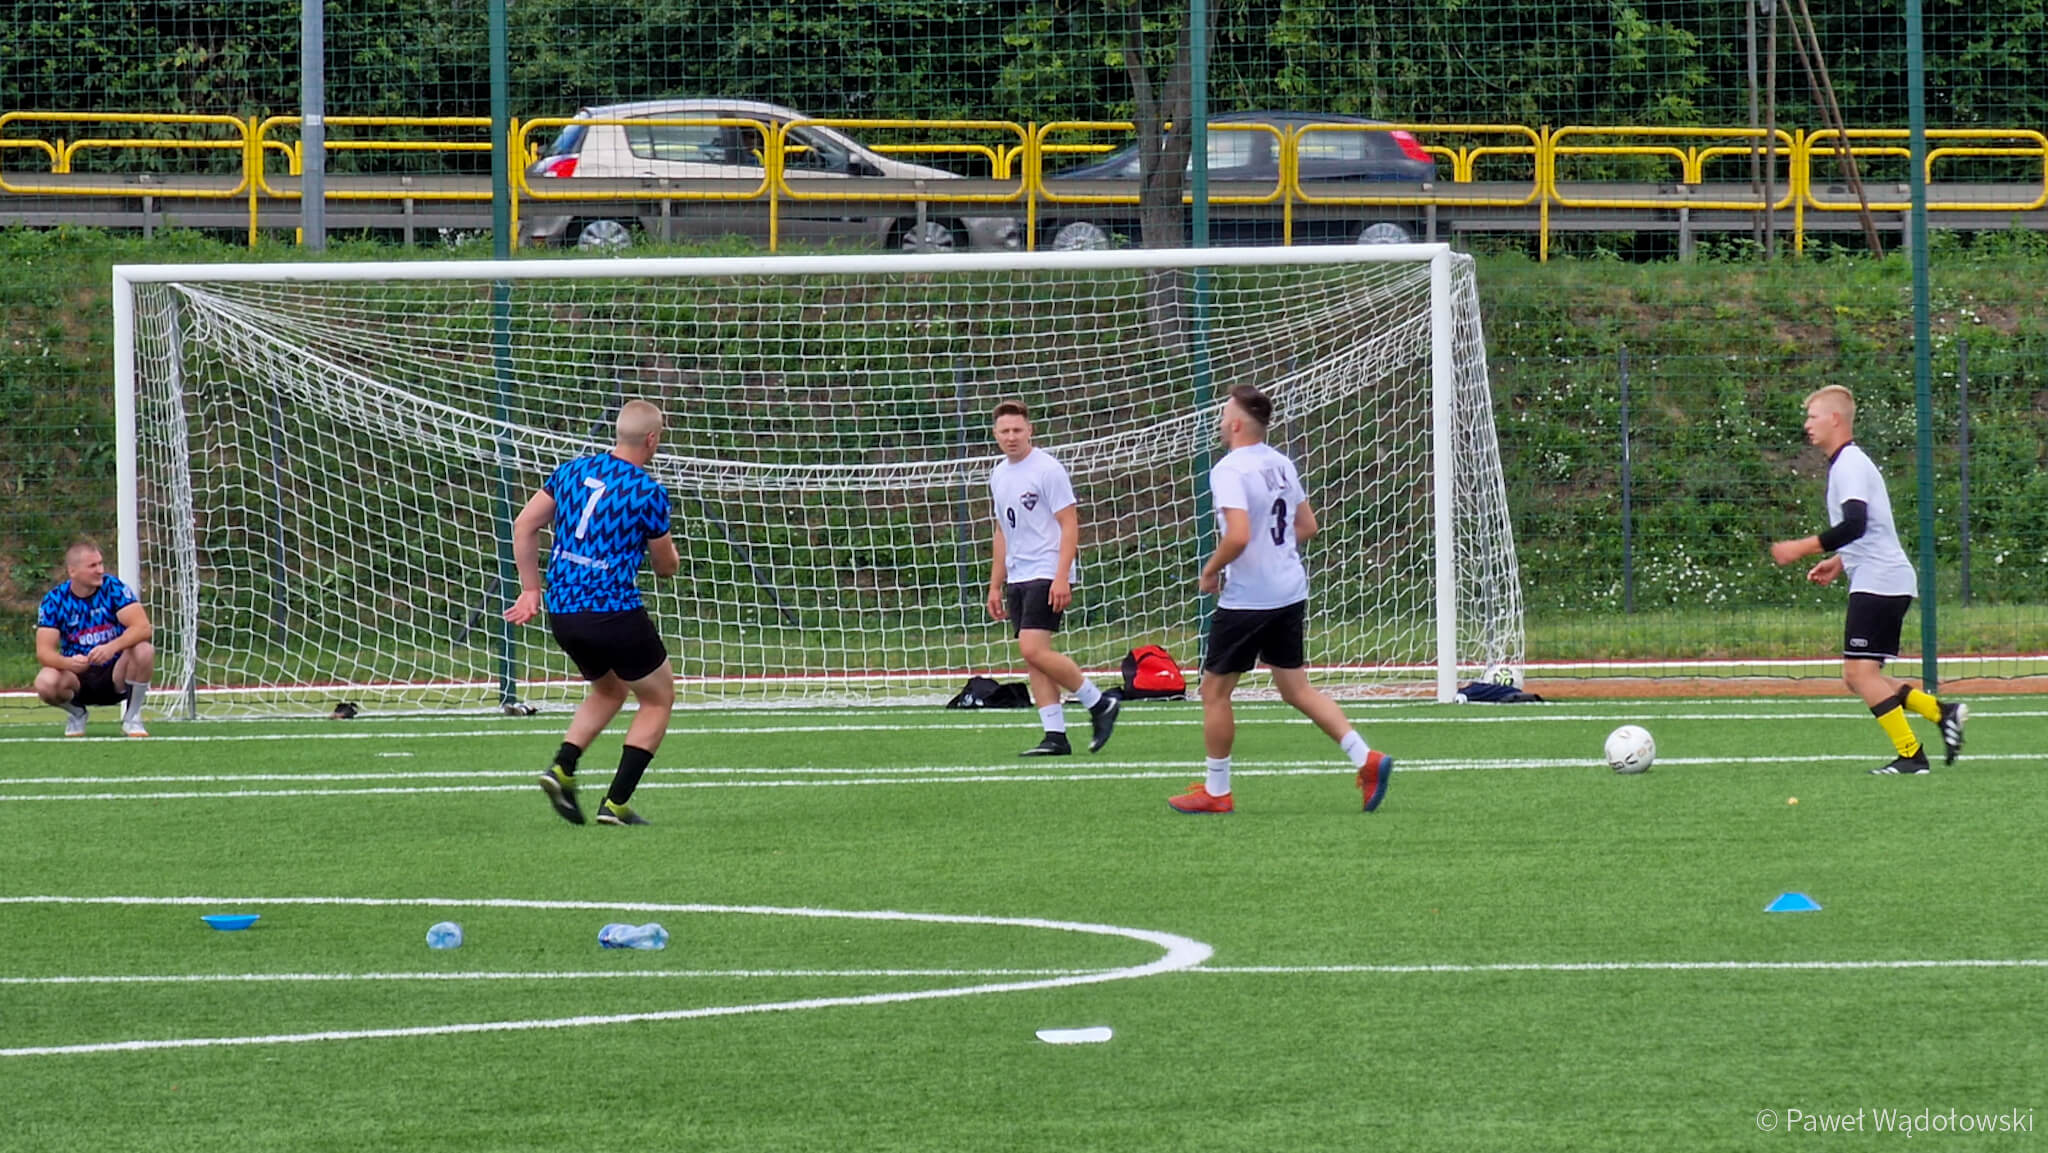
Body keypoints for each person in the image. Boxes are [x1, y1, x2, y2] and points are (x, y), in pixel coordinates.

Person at [1170, 385, 1393, 814]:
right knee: (1296, 689)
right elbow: (1307, 525)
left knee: (1214, 691)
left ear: (1237, 424)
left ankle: (1217, 791)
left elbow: (1237, 535)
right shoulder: (1280, 463)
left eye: (1224, 415)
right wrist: (1270, 552)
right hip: (1289, 590)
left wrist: (1212, 569)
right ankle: (1365, 758)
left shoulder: (1229, 469)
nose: (1220, 422)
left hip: (1249, 599)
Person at [1770, 385, 1965, 774]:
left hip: (1881, 580)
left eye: (1812, 416)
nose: (1807, 424)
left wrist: (1801, 547)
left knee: (1860, 673)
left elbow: (1856, 524)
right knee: (1858, 675)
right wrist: (1839, 561)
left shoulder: (1850, 464)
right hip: (1878, 578)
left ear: (1835, 419)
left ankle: (1911, 756)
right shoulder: (1846, 464)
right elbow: (1871, 528)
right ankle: (1941, 712)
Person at [505, 399, 680, 825]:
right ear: (652, 439)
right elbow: (665, 566)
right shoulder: (646, 491)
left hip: (564, 611)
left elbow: (524, 524)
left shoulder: (571, 471)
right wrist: (669, 557)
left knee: (609, 690)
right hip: (613, 611)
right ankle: (616, 804)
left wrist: (531, 589)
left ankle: (563, 767)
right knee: (658, 699)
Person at [985, 400, 1120, 756]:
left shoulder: (1048, 469)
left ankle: (1099, 702)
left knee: (1032, 648)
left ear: (1030, 430)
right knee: (1035, 656)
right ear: (995, 434)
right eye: (1005, 431)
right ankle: (1055, 735)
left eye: (1017, 430)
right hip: (1018, 573)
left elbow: (1069, 523)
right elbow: (1002, 531)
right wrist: (995, 584)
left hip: (1047, 569)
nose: (1011, 437)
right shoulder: (998, 475)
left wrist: (1062, 576)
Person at [34, 540, 155, 737]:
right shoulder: (54, 600)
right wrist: (69, 663)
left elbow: (143, 628)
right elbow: (44, 652)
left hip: (116, 672)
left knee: (144, 650)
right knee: (45, 682)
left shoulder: (113, 588)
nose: (100, 570)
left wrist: (111, 647)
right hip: (77, 677)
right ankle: (77, 713)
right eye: (92, 566)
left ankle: (132, 717)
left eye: (100, 564)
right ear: (72, 571)